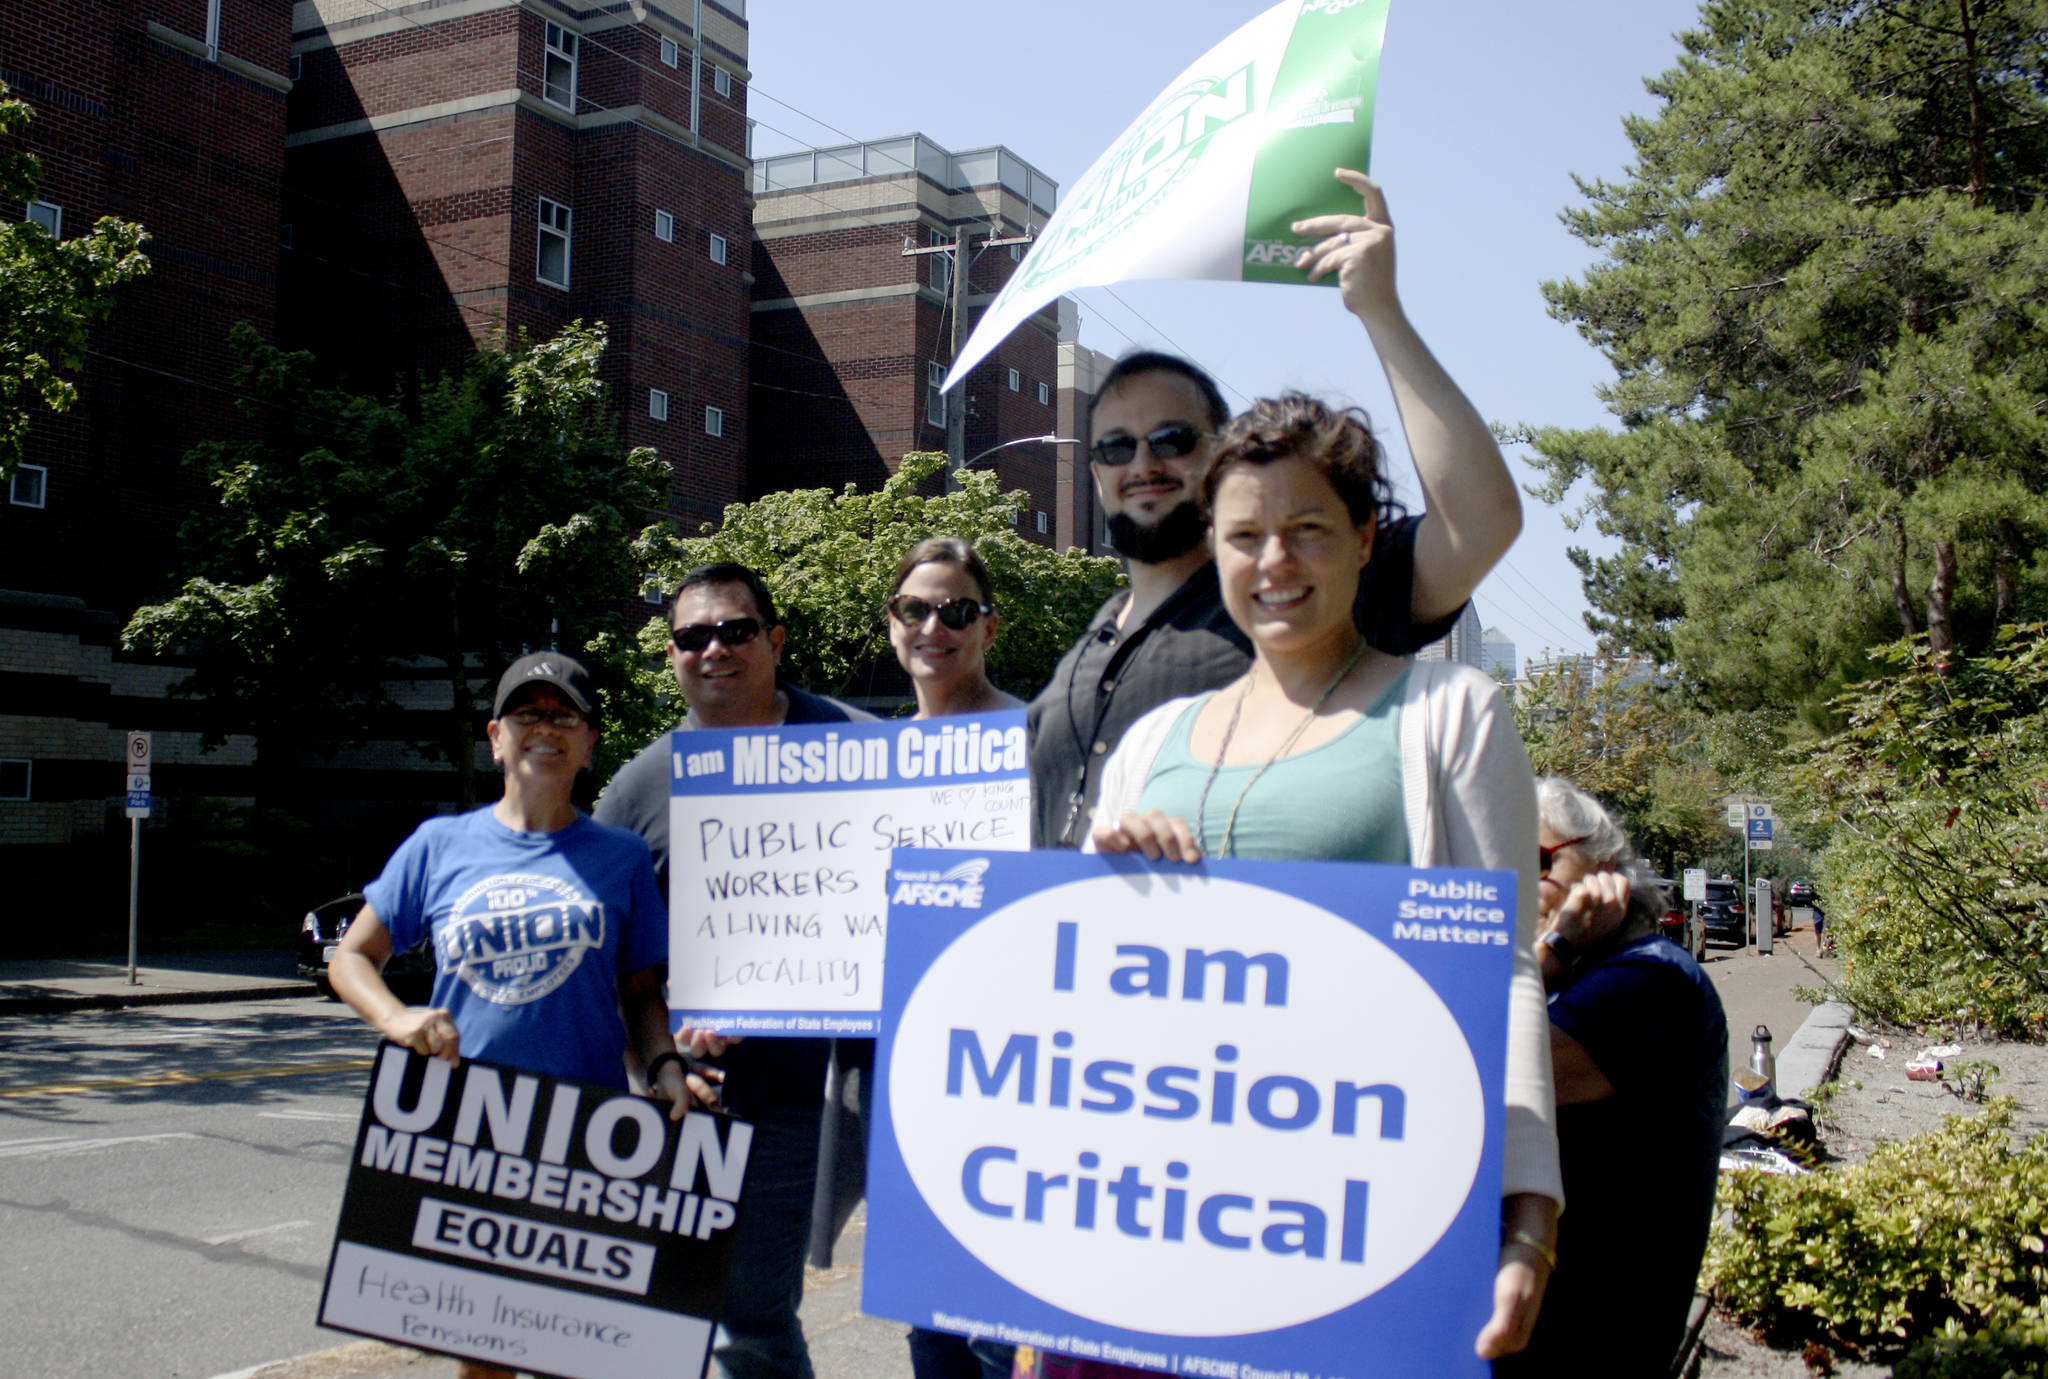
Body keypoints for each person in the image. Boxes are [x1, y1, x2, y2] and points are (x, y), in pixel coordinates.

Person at [1087, 391, 1561, 1363]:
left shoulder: (1450, 713)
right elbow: (1091, 1002)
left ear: (1361, 538)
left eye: (1305, 529)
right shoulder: (1145, 745)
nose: (1273, 562)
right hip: (1159, 1224)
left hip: (1360, 1228)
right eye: (1244, 534)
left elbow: (1502, 972)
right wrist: (1099, 897)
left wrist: (1526, 1217)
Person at [1028, 170, 1524, 850]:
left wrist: (1381, 309)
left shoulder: (1296, 597)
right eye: (1116, 445)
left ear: (1218, 458)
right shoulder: (1090, 650)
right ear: (1094, 471)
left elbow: (1482, 523)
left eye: (1172, 439)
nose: (1142, 463)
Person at [330, 651, 708, 1379]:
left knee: (582, 1350)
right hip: (473, 1127)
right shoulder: (441, 844)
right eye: (528, 713)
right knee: (485, 1352)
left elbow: (639, 992)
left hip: (588, 1135)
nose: (547, 727)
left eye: (564, 714)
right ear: (496, 734)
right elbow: (352, 957)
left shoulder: (621, 857)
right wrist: (396, 1018)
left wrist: (664, 1065)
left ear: (590, 739)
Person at [594, 562, 873, 1379]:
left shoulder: (860, 749)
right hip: (684, 1096)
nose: (714, 647)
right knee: (665, 1317)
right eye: (692, 635)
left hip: (808, 1096)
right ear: (672, 655)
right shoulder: (642, 783)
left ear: (775, 641)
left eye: (736, 629)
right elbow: (603, 951)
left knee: (749, 1320)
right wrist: (646, 1060)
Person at [1499, 777, 1728, 1377]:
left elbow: (1476, 1070)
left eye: (1540, 859)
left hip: (1588, 1341)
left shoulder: (1652, 984)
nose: (1516, 879)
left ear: (1605, 871)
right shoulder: (1585, 978)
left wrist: (1557, 945)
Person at [884, 537, 1025, 1379]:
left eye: (957, 611)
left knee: (1004, 1335)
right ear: (892, 623)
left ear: (988, 627)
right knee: (931, 1332)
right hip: (910, 1086)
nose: (935, 625)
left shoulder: (1034, 741)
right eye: (916, 609)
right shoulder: (862, 764)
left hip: (1015, 1080)